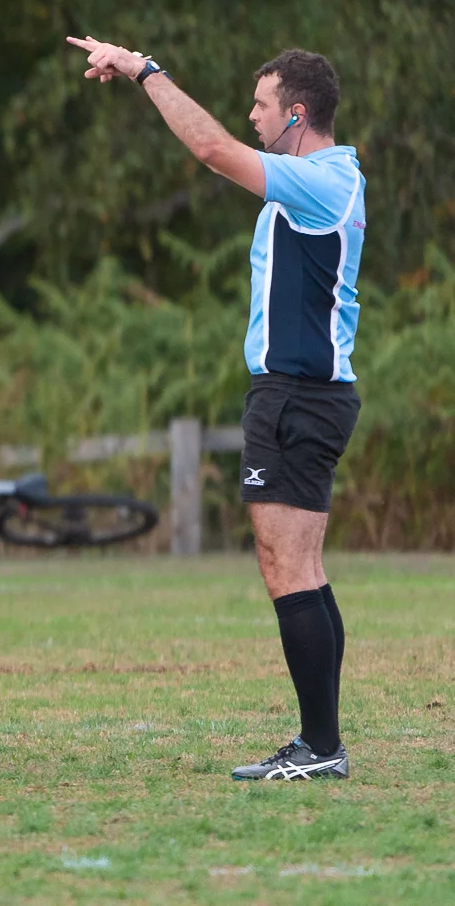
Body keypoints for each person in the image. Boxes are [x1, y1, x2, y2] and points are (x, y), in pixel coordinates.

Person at [69, 38, 365, 781]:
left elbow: (209, 148)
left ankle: (321, 748)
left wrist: (144, 69)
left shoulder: (317, 180)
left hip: (300, 395)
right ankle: (320, 743)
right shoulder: (325, 177)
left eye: (262, 105)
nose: (251, 116)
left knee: (287, 564)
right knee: (300, 566)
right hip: (300, 393)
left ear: (296, 114)